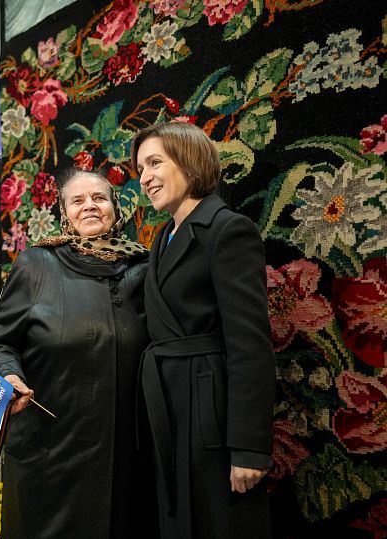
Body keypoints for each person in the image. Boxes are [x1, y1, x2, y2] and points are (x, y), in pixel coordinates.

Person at [0, 169, 155, 538]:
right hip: (50, 450)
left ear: (114, 208)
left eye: (99, 198)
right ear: (65, 212)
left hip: (123, 453)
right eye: (77, 200)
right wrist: (9, 374)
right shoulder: (37, 264)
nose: (89, 206)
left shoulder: (143, 267)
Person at [131, 121, 275, 539]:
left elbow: (250, 345)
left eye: (155, 162)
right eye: (141, 169)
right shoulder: (162, 237)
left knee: (220, 524)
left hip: (211, 413)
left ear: (190, 161)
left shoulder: (228, 229)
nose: (145, 178)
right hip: (169, 405)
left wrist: (249, 447)